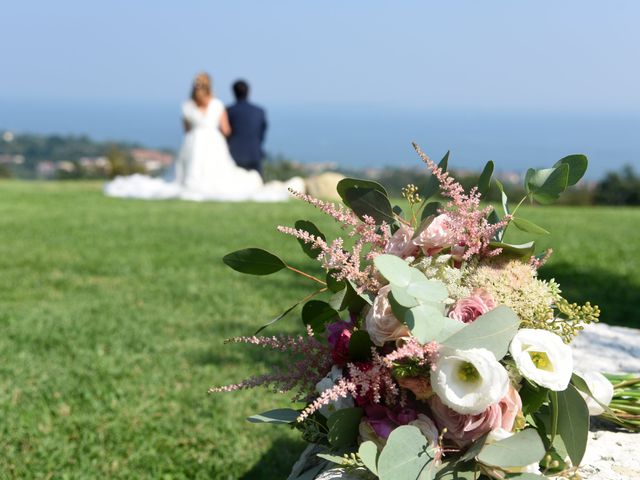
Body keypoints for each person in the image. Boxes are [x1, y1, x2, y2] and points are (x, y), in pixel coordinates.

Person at [104, 72, 304, 201]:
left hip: (193, 141)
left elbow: (186, 129)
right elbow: (225, 130)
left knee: (189, 173)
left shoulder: (187, 106)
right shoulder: (217, 105)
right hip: (213, 141)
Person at [226, 80, 267, 176]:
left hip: (233, 155)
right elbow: (261, 133)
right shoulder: (259, 111)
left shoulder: (229, 111)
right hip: (254, 154)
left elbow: (226, 133)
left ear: (233, 92)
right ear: (248, 92)